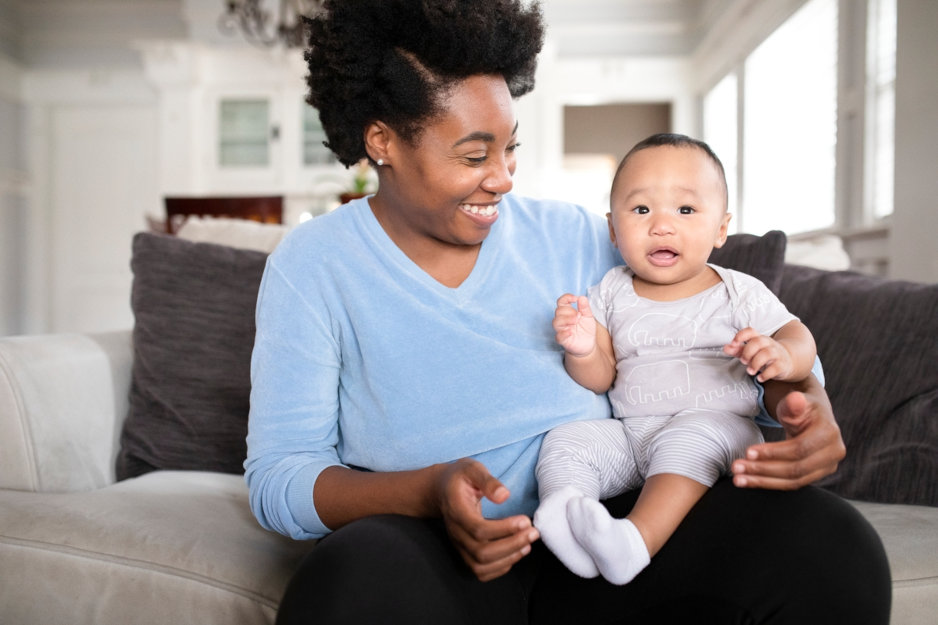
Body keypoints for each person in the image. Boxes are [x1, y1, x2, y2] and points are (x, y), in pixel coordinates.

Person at [245, 1, 891, 623]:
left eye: (510, 148)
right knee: (345, 587)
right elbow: (281, 476)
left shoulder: (582, 237)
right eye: (474, 156)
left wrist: (804, 399)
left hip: (607, 529)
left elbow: (725, 333)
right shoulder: (314, 266)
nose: (503, 177)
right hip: (428, 546)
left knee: (833, 550)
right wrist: (427, 490)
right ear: (383, 141)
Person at [533, 133, 819, 585]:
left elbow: (798, 335)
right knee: (568, 440)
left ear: (721, 228)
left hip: (720, 431)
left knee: (691, 433)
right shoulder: (610, 291)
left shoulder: (737, 291)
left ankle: (635, 542)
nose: (662, 225)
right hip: (634, 436)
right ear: (613, 229)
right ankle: (568, 519)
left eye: (685, 210)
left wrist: (783, 355)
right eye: (641, 210)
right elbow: (601, 377)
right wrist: (583, 347)